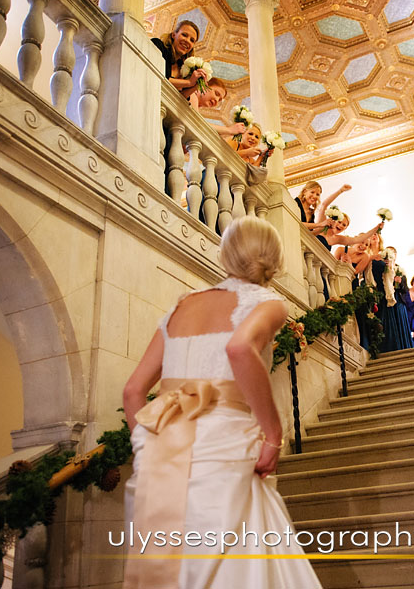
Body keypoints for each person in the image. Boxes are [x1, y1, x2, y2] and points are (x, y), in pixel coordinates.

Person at [122, 216, 322, 589]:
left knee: (168, 568)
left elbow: (133, 391)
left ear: (225, 254)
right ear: (275, 259)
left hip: (161, 453)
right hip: (224, 441)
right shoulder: (269, 303)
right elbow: (239, 348)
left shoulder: (180, 307)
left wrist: (143, 445)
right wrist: (273, 435)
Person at [371, 240, 412, 353]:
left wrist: (399, 283)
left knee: (401, 325)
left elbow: (406, 290)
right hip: (387, 300)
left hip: (399, 301)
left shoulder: (400, 270)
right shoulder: (382, 269)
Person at [151, 20, 208, 94]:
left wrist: (196, 85)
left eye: (192, 40)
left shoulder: (184, 68)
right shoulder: (158, 46)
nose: (187, 41)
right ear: (173, 35)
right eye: (184, 35)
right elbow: (157, 76)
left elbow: (182, 97)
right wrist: (189, 82)